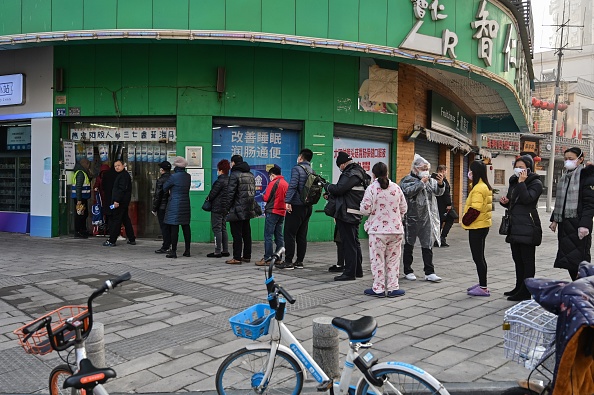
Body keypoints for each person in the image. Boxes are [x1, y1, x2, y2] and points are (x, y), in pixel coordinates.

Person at [360, 162, 408, 297]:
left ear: (373, 174)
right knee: (393, 260)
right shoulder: (396, 188)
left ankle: (378, 288)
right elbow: (404, 208)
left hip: (378, 231)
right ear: (387, 173)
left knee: (377, 260)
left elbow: (365, 209)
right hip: (396, 230)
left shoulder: (371, 188)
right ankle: (393, 287)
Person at [499, 155, 543, 301]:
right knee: (517, 259)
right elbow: (515, 201)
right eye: (517, 166)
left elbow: (527, 200)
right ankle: (519, 287)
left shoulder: (535, 183)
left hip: (528, 225)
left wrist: (522, 183)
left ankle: (526, 291)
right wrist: (506, 202)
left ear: (529, 168)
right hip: (515, 225)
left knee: (527, 260)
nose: (519, 170)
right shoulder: (515, 181)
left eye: (522, 167)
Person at [550, 147, 594, 280]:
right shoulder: (565, 177)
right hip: (565, 226)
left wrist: (584, 225)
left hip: (578, 225)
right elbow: (560, 202)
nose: (567, 161)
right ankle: (579, 290)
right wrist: (555, 220)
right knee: (569, 262)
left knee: (580, 262)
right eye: (566, 159)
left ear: (580, 159)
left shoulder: (586, 177)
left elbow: (590, 204)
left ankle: (585, 291)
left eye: (571, 159)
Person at [399, 154, 444, 283]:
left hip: (427, 218)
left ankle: (429, 272)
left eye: (427, 168)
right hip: (411, 218)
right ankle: (408, 270)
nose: (425, 170)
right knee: (409, 244)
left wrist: (440, 184)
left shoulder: (429, 180)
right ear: (415, 168)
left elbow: (438, 192)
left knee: (427, 244)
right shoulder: (406, 180)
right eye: (423, 168)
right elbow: (407, 192)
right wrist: (420, 183)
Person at [324, 151, 368, 281]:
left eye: (339, 166)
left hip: (348, 213)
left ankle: (349, 273)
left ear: (343, 164)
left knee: (349, 243)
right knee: (354, 242)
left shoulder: (351, 173)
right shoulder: (359, 172)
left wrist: (327, 186)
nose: (340, 168)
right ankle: (357, 270)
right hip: (352, 211)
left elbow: (339, 189)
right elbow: (346, 192)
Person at [278, 148, 315, 269]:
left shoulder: (297, 169)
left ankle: (288, 261)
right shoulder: (311, 170)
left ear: (300, 157)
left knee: (289, 233)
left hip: (297, 206)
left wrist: (287, 201)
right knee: (301, 234)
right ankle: (299, 261)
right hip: (308, 206)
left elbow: (293, 185)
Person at [461, 160, 493, 296]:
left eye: (470, 170)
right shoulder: (483, 186)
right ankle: (482, 284)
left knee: (478, 257)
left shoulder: (479, 188)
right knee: (480, 256)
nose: (469, 173)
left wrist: (465, 221)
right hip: (483, 225)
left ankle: (483, 287)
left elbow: (475, 209)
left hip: (477, 227)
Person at [224, 155, 257, 265]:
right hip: (248, 207)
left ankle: (237, 257)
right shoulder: (250, 174)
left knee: (236, 234)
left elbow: (230, 194)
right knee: (246, 233)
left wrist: (226, 208)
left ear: (233, 163)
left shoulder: (234, 175)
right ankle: (247, 256)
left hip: (237, 208)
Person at [257, 165, 288, 266]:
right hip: (282, 212)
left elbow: (266, 198)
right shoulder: (285, 183)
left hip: (272, 211)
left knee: (268, 236)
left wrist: (262, 195)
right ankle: (278, 258)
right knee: (279, 236)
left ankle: (268, 258)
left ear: (272, 175)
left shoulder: (273, 183)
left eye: (270, 175)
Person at [162, 156, 192, 258]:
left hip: (174, 203)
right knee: (186, 227)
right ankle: (187, 250)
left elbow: (165, 187)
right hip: (185, 203)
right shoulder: (188, 176)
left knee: (174, 227)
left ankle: (173, 251)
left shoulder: (173, 177)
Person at [103, 160, 136, 247]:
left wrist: (116, 200)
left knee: (116, 220)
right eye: (115, 166)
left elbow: (121, 189)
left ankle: (112, 240)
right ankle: (132, 238)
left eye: (118, 165)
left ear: (123, 165)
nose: (117, 167)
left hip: (121, 202)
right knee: (125, 219)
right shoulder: (121, 175)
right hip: (123, 201)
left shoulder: (123, 176)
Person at [206, 159, 231, 258]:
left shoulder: (219, 181)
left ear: (220, 170)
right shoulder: (230, 181)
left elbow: (212, 195)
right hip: (225, 208)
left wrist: (208, 198)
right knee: (223, 229)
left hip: (217, 208)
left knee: (217, 229)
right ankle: (225, 250)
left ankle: (217, 251)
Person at [152, 161, 172, 254]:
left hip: (162, 207)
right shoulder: (173, 178)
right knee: (171, 227)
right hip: (171, 206)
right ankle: (171, 245)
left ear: (162, 170)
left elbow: (158, 195)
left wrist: (154, 208)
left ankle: (166, 246)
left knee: (164, 227)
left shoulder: (161, 180)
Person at [72, 158, 93, 238]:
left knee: (83, 214)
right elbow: (79, 187)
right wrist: (79, 200)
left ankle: (82, 230)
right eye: (88, 165)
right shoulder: (81, 173)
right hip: (80, 198)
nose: (89, 167)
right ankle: (79, 231)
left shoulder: (82, 172)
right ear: (85, 164)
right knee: (80, 215)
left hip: (82, 198)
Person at [435, 164, 454, 247]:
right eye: (445, 171)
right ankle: (442, 238)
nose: (446, 173)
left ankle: (438, 239)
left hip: (436, 204)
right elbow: (446, 193)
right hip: (443, 204)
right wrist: (449, 204)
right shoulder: (443, 180)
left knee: (440, 221)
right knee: (450, 218)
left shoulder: (433, 179)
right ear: (442, 171)